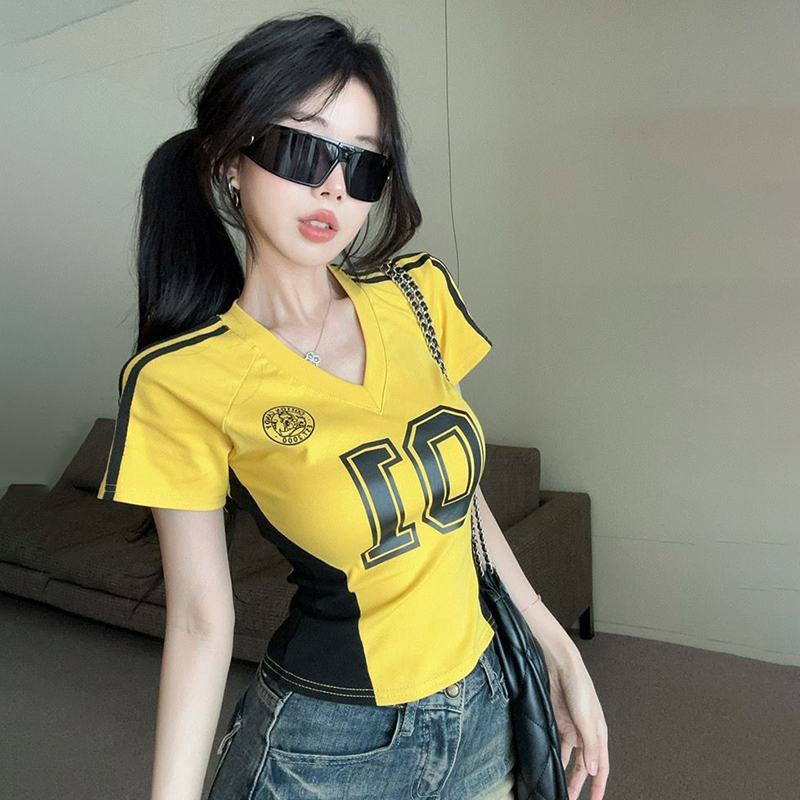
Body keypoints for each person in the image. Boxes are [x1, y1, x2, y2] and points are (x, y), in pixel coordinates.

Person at [96, 11, 608, 800]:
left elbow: (457, 502)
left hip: (485, 710)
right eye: (303, 148)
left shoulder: (418, 298)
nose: (334, 186)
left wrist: (556, 647)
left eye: (363, 164)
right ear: (229, 160)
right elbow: (200, 621)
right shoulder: (182, 379)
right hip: (325, 750)